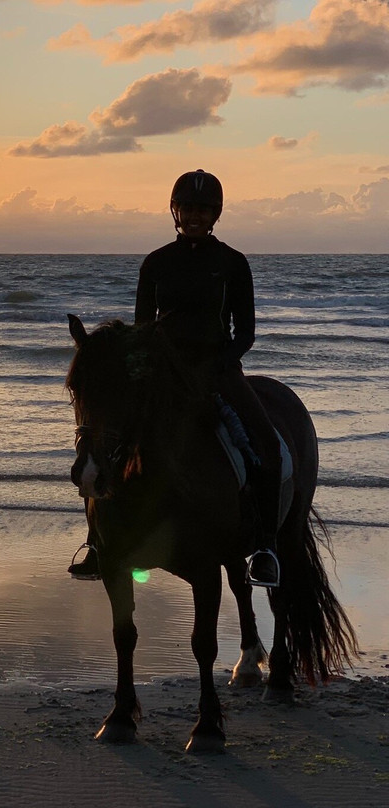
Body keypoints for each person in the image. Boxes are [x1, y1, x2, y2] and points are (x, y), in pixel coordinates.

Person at [68, 169, 282, 587]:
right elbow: (142, 327)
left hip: (217, 370)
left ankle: (266, 548)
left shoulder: (233, 264)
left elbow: (246, 332)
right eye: (187, 208)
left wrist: (221, 362)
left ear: (215, 214)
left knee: (268, 445)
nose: (194, 216)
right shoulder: (156, 263)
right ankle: (98, 541)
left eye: (203, 210)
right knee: (106, 438)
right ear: (175, 211)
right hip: (163, 373)